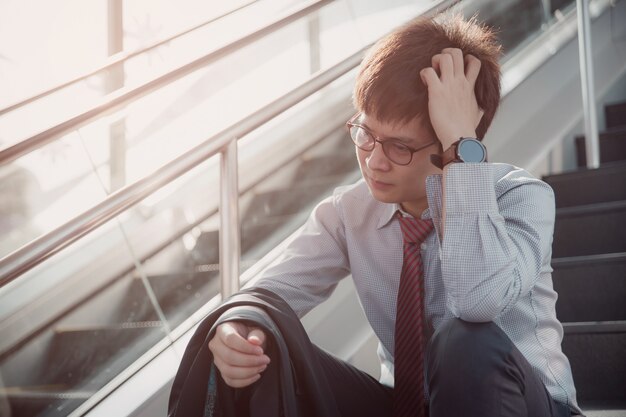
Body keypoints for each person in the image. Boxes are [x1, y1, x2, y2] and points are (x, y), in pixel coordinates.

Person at [208, 12, 583, 417]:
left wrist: (462, 146)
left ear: (451, 142)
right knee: (267, 342)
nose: (374, 162)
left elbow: (477, 302)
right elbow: (267, 295)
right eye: (366, 135)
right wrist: (238, 328)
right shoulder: (348, 214)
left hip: (527, 406)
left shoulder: (521, 198)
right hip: (404, 406)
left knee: (464, 340)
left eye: (400, 147)